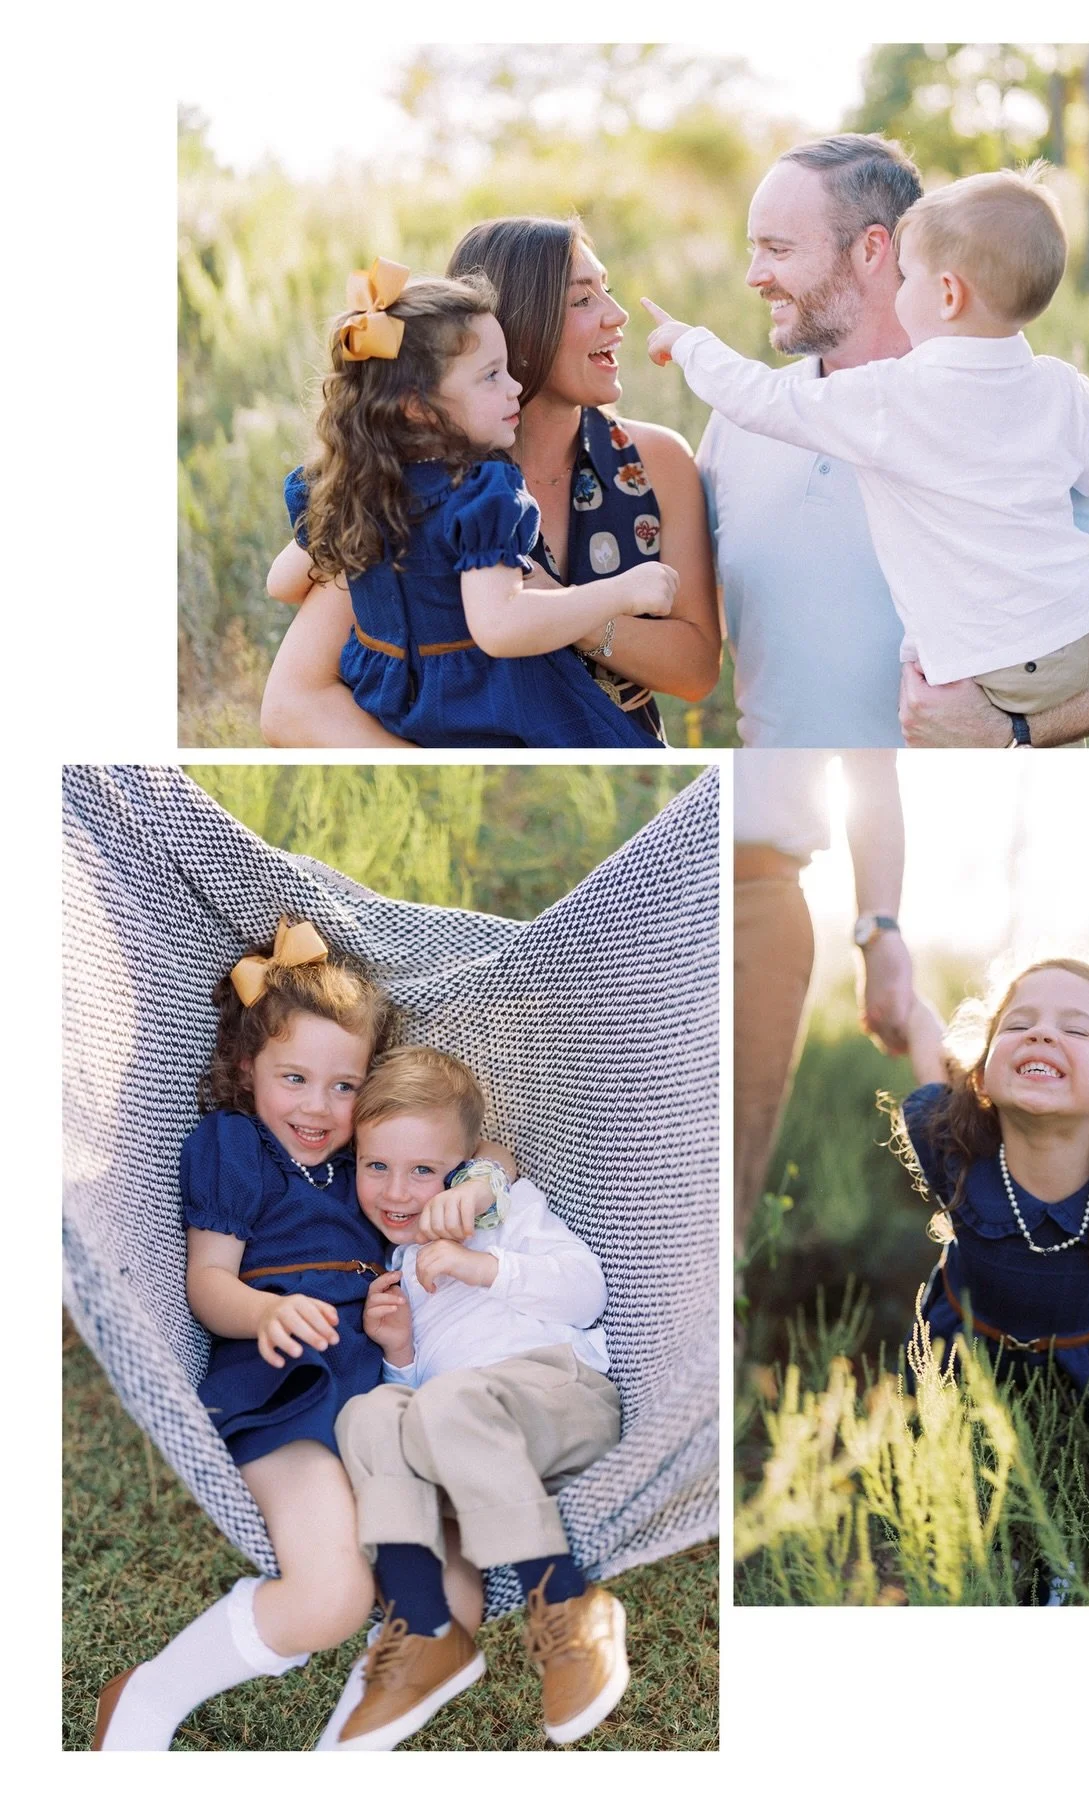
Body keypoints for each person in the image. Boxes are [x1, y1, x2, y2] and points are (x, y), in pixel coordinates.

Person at [694, 134, 1089, 748]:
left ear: (872, 249)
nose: (754, 275)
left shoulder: (1013, 412)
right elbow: (693, 646)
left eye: (777, 249)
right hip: (806, 810)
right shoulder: (739, 421)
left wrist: (1010, 731)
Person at [93, 920, 408, 1749]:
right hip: (285, 1396)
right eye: (294, 1077)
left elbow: (471, 1153)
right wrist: (266, 1311)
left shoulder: (367, 1163)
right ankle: (149, 1695)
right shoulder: (236, 1147)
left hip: (374, 1396)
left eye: (345, 1086)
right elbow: (208, 1286)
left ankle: (347, 1731)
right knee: (335, 1597)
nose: (317, 1105)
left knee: (436, 1567)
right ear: (247, 1069)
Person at [261, 221, 721, 747]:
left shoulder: (654, 460)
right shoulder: (404, 485)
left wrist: (564, 607)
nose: (616, 316)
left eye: (606, 290)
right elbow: (290, 705)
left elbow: (696, 671)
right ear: (512, 328)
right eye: (581, 300)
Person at [324, 1047, 626, 1750]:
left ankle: (565, 1600)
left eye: (423, 1170)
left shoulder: (502, 1210)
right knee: (366, 1412)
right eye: (377, 1167)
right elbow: (418, 1414)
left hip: (559, 1394)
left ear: (460, 1165)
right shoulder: (397, 1266)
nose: (398, 1191)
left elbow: (587, 1291)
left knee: (450, 1403)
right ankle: (424, 1624)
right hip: (473, 1453)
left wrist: (482, 1266)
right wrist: (400, 1355)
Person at [898, 960, 1089, 1393]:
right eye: (1018, 1025)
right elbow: (931, 1057)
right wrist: (904, 1001)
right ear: (980, 1076)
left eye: (1075, 1030)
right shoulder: (953, 1144)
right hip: (961, 1372)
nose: (1041, 1034)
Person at [734, 749, 912, 1253]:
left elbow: (869, 767)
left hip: (761, 898)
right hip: (657, 874)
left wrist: (880, 930)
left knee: (731, 1171)